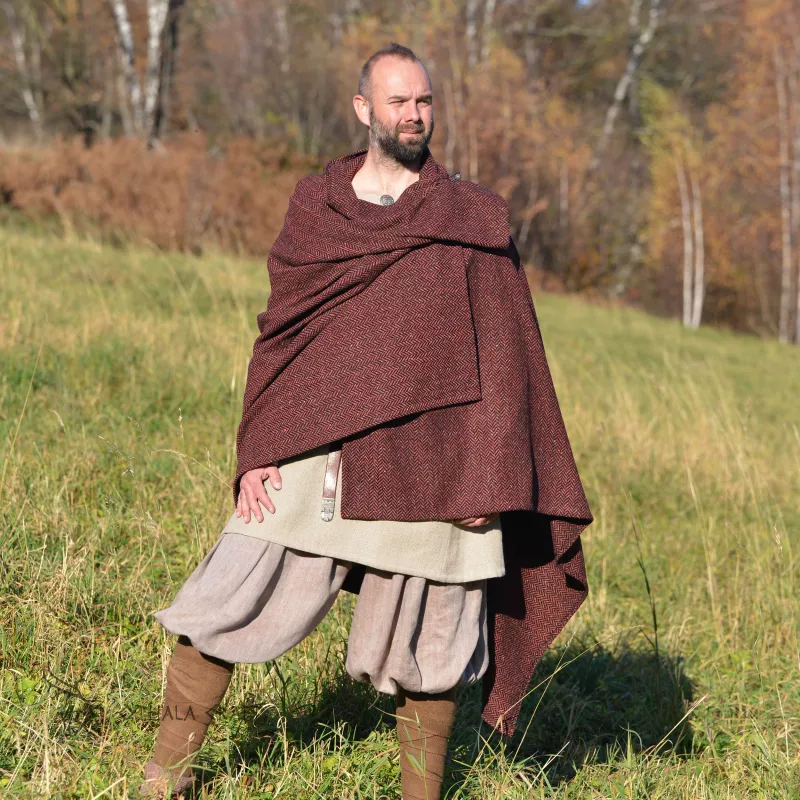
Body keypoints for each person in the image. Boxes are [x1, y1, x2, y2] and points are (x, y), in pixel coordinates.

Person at [138, 42, 592, 800]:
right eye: (397, 102)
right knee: (228, 597)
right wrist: (258, 449)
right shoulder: (319, 209)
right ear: (363, 110)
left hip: (440, 458)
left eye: (424, 101)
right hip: (322, 450)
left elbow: (512, 360)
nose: (414, 115)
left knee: (436, 645)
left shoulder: (470, 218)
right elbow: (283, 337)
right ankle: (165, 778)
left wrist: (495, 474)